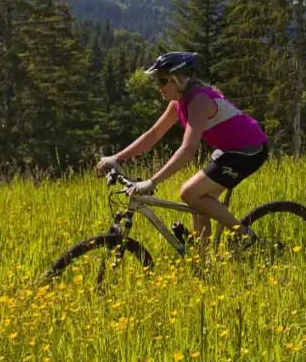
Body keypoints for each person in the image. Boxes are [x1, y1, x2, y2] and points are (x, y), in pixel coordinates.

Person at [96, 51, 268, 246]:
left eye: (162, 81)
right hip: (228, 149)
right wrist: (117, 158)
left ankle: (246, 238)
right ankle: (201, 260)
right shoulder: (178, 103)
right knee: (200, 199)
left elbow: (187, 150)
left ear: (180, 80)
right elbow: (153, 135)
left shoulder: (199, 102)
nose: (158, 86)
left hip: (249, 150)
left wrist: (152, 182)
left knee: (189, 193)